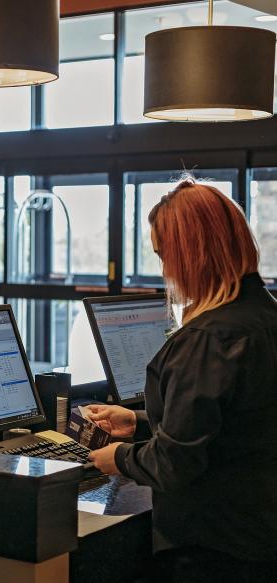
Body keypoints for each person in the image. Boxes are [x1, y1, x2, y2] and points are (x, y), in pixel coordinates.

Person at [87, 179, 277, 582]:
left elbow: (175, 464)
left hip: (216, 548)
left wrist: (117, 458)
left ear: (191, 255)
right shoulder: (265, 318)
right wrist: (138, 422)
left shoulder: (207, 338)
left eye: (164, 255)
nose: (165, 270)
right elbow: (235, 422)